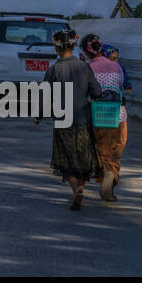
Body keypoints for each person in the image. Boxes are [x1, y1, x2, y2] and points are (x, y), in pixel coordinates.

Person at [38, 29, 104, 209]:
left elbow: (45, 97)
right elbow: (97, 92)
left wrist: (38, 115)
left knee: (64, 160)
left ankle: (76, 189)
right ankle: (80, 187)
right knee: (82, 158)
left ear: (56, 48)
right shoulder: (84, 67)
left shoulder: (53, 70)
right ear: (74, 46)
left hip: (63, 120)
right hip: (84, 119)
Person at [81, 33, 127, 201]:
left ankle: (106, 174)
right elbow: (120, 85)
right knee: (116, 149)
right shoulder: (116, 66)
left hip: (97, 114)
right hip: (118, 115)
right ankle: (111, 177)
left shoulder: (87, 68)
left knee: (102, 149)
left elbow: (85, 91)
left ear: (86, 52)